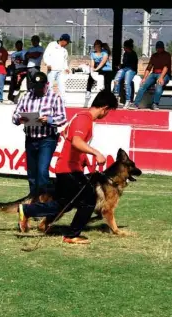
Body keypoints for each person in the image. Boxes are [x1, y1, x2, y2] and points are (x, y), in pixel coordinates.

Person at [18, 90, 118, 244]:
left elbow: (70, 141)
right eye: (109, 111)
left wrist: (83, 159)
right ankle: (72, 235)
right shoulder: (84, 119)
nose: (107, 114)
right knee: (89, 199)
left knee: (63, 204)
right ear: (105, 108)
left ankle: (26, 210)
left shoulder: (81, 117)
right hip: (68, 169)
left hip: (68, 167)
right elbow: (76, 141)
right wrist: (96, 153)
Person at [12, 70, 67, 199]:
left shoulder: (54, 97)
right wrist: (19, 119)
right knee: (32, 172)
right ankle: (34, 200)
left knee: (42, 171)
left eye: (40, 87)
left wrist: (48, 120)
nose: (37, 90)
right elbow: (15, 114)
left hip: (47, 139)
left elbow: (63, 118)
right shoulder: (26, 96)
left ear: (46, 84)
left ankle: (43, 201)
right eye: (35, 87)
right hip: (30, 138)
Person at [132, 41, 172, 110]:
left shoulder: (167, 55)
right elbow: (149, 67)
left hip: (164, 74)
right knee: (143, 85)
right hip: (154, 73)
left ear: (163, 48)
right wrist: (144, 78)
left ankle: (155, 103)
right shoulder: (154, 56)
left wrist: (161, 77)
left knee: (159, 85)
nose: (159, 50)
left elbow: (166, 67)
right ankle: (136, 104)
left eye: (160, 48)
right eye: (157, 48)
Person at [43, 34, 71, 102]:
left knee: (62, 85)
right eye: (67, 42)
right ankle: (49, 100)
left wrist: (66, 68)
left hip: (61, 70)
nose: (67, 44)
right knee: (50, 85)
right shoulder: (52, 45)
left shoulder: (65, 50)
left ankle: (63, 101)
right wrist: (48, 64)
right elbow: (46, 55)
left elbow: (65, 60)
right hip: (52, 69)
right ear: (64, 41)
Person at [113, 39, 138, 109]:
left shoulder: (133, 54)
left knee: (126, 83)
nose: (123, 48)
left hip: (131, 69)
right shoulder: (125, 54)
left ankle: (128, 100)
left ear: (127, 47)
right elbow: (125, 64)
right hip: (125, 68)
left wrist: (124, 67)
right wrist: (121, 66)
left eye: (124, 47)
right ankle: (116, 97)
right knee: (116, 79)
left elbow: (133, 66)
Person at [6, 40, 27, 104]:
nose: (18, 46)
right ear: (15, 46)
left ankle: (15, 97)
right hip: (16, 70)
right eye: (17, 45)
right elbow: (12, 63)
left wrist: (21, 61)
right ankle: (10, 98)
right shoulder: (13, 54)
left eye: (20, 45)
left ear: (22, 45)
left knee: (18, 82)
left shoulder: (25, 52)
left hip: (23, 69)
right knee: (12, 83)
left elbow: (26, 62)